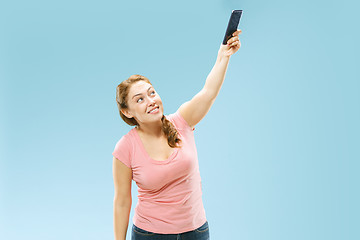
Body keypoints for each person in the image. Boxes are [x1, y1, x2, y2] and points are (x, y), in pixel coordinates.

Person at [112, 29, 242, 240]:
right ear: (127, 112)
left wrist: (223, 55)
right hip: (150, 234)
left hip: (196, 232)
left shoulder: (182, 121)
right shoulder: (125, 148)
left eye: (151, 93)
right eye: (139, 99)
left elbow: (208, 92)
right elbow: (122, 201)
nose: (150, 100)